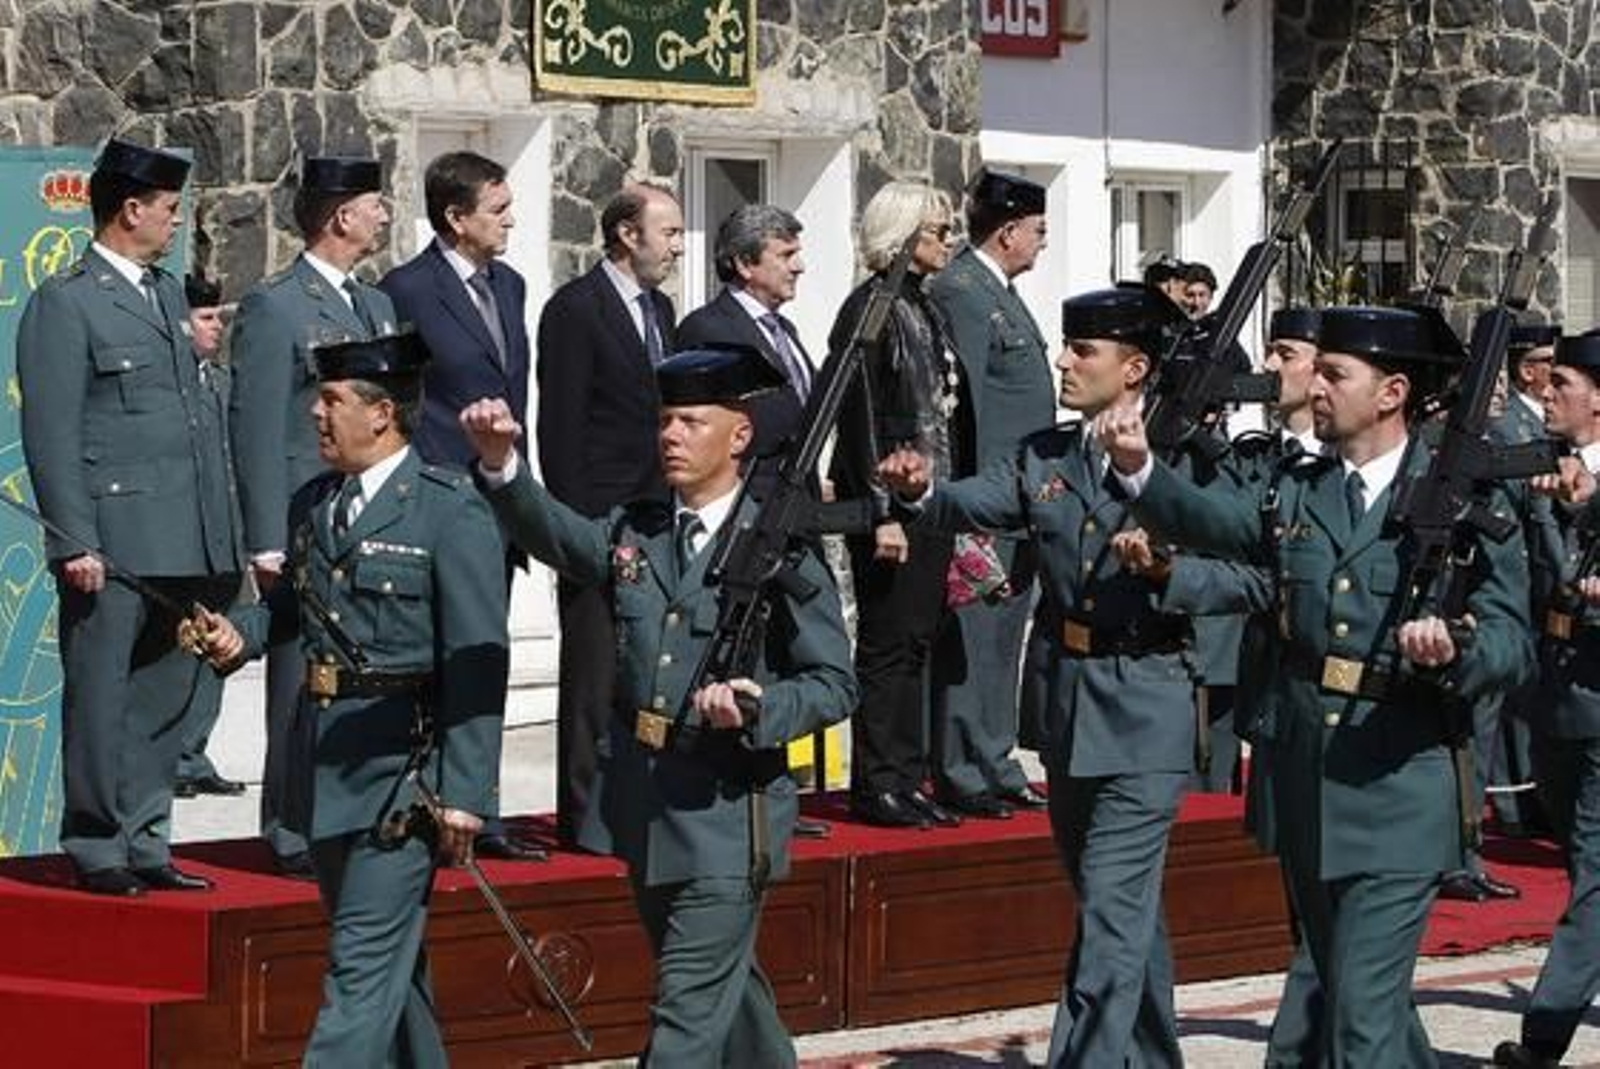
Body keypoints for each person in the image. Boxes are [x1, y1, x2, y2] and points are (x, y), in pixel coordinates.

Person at [1099, 305, 1532, 1066]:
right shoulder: (1300, 488)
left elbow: (1509, 641)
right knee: (1357, 995)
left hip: (1401, 783)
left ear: (1392, 391)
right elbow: (1214, 521)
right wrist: (1139, 467)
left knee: (1362, 1019)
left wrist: (1455, 647)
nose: (1315, 386)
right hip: (1309, 782)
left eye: (1336, 373)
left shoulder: (1465, 504)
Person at [879, 285, 1250, 1065]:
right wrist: (919, 491)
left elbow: (1249, 578)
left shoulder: (1184, 463)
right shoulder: (1050, 453)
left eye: (1084, 350)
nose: (1064, 359)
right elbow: (974, 501)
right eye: (1067, 344)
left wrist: (1167, 571)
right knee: (1121, 910)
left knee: (1112, 917)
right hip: (1065, 704)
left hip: (1147, 704)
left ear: (1136, 368)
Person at [460, 346, 856, 1064]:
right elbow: (563, 538)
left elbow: (835, 680)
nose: (670, 434)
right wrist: (502, 467)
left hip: (728, 818)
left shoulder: (780, 550)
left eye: (691, 421)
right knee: (730, 1001)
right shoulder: (638, 529)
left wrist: (762, 704)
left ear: (739, 436)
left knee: (684, 1017)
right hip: (646, 803)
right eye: (666, 420)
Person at [196, 331, 509, 1066]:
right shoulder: (316, 503)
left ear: (382, 413)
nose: (315, 413)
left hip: (404, 779)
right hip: (326, 765)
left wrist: (467, 790)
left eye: (332, 399)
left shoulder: (447, 510)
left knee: (360, 974)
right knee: (388, 969)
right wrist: (238, 633)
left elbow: (477, 662)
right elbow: (291, 611)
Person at [16, 139, 240, 896]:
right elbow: (51, 432)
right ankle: (96, 841)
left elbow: (195, 423)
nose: (175, 223)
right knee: (102, 693)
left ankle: (147, 837)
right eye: (169, 209)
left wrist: (224, 534)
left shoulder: (167, 295)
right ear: (130, 208)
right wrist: (73, 538)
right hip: (110, 542)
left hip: (184, 535)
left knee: (163, 700)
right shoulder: (67, 300)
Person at [229, 155, 396, 879]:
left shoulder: (377, 305)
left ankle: (355, 811)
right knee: (300, 682)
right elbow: (257, 426)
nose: (384, 215)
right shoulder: (277, 305)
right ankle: (292, 824)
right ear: (341, 217)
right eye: (374, 204)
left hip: (374, 519)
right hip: (305, 522)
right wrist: (264, 539)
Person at [380, 149, 540, 862]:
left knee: (485, 654)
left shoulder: (510, 286)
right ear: (455, 216)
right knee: (432, 658)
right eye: (498, 210)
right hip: (437, 501)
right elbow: (402, 403)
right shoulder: (407, 290)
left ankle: (480, 803)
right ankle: (421, 802)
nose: (511, 222)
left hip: (496, 501)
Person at [535, 181, 682, 845]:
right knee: (593, 672)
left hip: (655, 513)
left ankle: (635, 800)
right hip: (597, 516)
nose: (678, 246)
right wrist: (576, 530)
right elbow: (559, 429)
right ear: (628, 234)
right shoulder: (577, 309)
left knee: (645, 665)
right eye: (669, 232)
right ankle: (586, 814)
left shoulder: (662, 311)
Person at [828, 182, 971, 830]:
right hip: (891, 500)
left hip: (930, 498)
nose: (948, 240)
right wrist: (881, 507)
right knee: (886, 643)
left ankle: (909, 774)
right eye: (938, 230)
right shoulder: (873, 307)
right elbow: (857, 416)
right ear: (904, 235)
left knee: (916, 641)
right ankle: (877, 780)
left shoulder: (924, 305)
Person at [923, 169, 1053, 818]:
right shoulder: (964, 291)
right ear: (1007, 232)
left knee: (1003, 634)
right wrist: (965, 502)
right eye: (1037, 231)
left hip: (1020, 497)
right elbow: (958, 405)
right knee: (972, 639)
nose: (1042, 243)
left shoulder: (998, 289)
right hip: (985, 497)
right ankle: (959, 763)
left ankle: (996, 757)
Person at [1492, 330, 1600, 1069]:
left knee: (1597, 872)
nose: (1547, 391)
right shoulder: (1539, 472)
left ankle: (1544, 1034)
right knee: (1580, 862)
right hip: (1556, 700)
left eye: (1561, 382)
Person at [173, 271, 247, 799]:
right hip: (181, 536)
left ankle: (195, 754)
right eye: (205, 318)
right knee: (177, 650)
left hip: (228, 535)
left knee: (219, 646)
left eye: (219, 317)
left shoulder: (223, 383)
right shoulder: (168, 385)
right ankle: (171, 756)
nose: (216, 327)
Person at [676, 203, 811, 461]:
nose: (799, 266)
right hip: (749, 495)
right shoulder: (708, 329)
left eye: (797, 254)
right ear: (745, 264)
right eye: (786, 255)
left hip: (801, 495)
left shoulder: (785, 330)